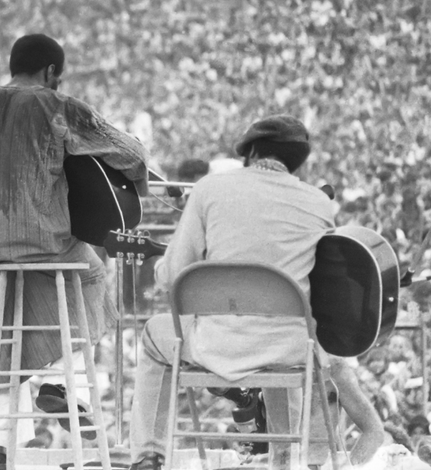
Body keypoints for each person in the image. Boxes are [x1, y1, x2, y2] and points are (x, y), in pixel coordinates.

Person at [0, 34, 148, 470]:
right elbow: (131, 153)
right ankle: (61, 385)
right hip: (43, 243)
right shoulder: (57, 106)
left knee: (10, 325)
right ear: (50, 73)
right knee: (94, 276)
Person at [126, 115, 384, 470]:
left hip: (219, 345)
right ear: (298, 162)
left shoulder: (209, 189)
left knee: (155, 337)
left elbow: (172, 277)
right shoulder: (319, 203)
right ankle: (284, 457)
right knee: (284, 323)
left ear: (249, 153)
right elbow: (319, 287)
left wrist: (161, 269)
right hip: (291, 349)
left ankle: (149, 455)